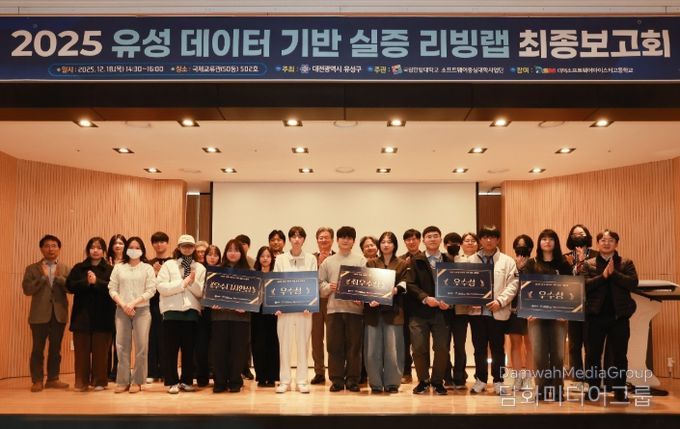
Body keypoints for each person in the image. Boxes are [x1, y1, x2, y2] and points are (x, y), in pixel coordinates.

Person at [582, 230, 638, 403]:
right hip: (595, 317)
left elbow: (633, 283)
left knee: (620, 356)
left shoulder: (626, 263)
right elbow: (583, 286)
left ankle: (620, 392)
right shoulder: (588, 264)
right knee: (593, 356)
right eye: (603, 240)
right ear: (598, 243)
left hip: (619, 317)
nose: (606, 243)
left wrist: (614, 274)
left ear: (616, 244)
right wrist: (603, 276)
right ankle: (593, 390)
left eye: (611, 240)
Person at [468, 225, 518, 395]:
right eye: (485, 237)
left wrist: (500, 301)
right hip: (477, 313)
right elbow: (465, 285)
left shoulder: (507, 261)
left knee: (497, 348)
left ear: (498, 239)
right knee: (479, 348)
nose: (488, 240)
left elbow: (513, 285)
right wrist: (471, 300)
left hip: (498, 311)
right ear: (480, 240)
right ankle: (480, 380)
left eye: (492, 237)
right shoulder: (471, 260)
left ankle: (498, 380)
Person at [524, 229, 572, 401]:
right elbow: (524, 288)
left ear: (556, 243)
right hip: (535, 316)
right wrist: (527, 310)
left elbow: (571, 289)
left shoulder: (564, 264)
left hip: (559, 316)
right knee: (539, 355)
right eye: (543, 239)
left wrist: (566, 312)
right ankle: (541, 390)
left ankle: (558, 390)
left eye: (551, 239)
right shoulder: (531, 263)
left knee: (558, 355)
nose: (547, 242)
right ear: (539, 243)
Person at [405, 226, 452, 395]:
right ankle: (423, 381)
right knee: (418, 348)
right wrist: (425, 298)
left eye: (435, 236)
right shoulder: (415, 260)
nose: (432, 239)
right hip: (419, 312)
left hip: (442, 313)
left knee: (442, 349)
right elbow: (410, 284)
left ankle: (437, 381)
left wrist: (449, 303)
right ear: (423, 240)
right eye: (429, 236)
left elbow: (455, 286)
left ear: (440, 239)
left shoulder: (449, 260)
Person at [319, 226, 367, 392]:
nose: (346, 240)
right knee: (334, 347)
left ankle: (353, 380)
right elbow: (320, 285)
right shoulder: (328, 262)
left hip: (355, 311)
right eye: (342, 237)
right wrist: (329, 287)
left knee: (354, 347)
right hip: (334, 311)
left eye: (349, 238)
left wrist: (360, 296)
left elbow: (366, 284)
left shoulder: (361, 261)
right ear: (337, 240)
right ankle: (337, 380)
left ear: (353, 241)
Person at [21, 234, 71, 392]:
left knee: (55, 349)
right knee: (37, 349)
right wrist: (42, 279)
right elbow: (27, 290)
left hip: (59, 314)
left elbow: (71, 288)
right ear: (41, 249)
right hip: (38, 315)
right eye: (47, 246)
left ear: (59, 249)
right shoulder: (32, 268)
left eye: (54, 245)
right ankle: (37, 380)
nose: (51, 249)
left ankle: (53, 379)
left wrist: (60, 279)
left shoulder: (66, 268)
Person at [157, 234, 205, 394]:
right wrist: (183, 283)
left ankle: (186, 381)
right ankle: (172, 382)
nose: (187, 249)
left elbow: (201, 292)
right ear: (178, 247)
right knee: (170, 350)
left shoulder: (200, 268)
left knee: (189, 351)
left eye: (190, 246)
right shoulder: (168, 265)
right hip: (171, 313)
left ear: (194, 248)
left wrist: (191, 281)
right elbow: (161, 287)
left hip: (191, 314)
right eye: (184, 246)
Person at [108, 236, 157, 394]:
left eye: (137, 247)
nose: (134, 250)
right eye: (131, 247)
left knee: (141, 346)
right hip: (121, 310)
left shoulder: (147, 268)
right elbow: (112, 288)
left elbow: (151, 290)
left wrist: (134, 303)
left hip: (142, 310)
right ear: (126, 249)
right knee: (121, 346)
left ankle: (137, 381)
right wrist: (123, 304)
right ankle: (123, 381)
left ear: (142, 250)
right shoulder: (119, 267)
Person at [66, 237, 114, 392]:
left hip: (103, 316)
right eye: (92, 247)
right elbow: (69, 286)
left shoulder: (110, 269)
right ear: (88, 250)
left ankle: (100, 381)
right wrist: (86, 282)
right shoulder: (79, 267)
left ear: (104, 251)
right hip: (82, 316)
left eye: (99, 248)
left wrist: (97, 282)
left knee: (101, 352)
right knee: (81, 352)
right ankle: (81, 382)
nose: (95, 250)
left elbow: (114, 288)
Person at [273, 227, 318, 394]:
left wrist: (310, 305)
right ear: (290, 239)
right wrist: (277, 306)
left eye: (300, 237)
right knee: (284, 345)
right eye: (293, 236)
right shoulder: (281, 259)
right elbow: (276, 282)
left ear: (304, 239)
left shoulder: (311, 258)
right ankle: (284, 380)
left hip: (304, 310)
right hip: (285, 310)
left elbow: (313, 281)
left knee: (303, 345)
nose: (297, 239)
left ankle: (302, 380)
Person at [364, 231, 408, 394]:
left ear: (395, 245)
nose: (386, 245)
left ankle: (392, 383)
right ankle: (375, 383)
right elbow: (366, 285)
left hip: (394, 312)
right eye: (383, 242)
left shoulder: (402, 264)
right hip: (373, 311)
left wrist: (394, 290)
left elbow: (405, 283)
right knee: (372, 349)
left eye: (389, 242)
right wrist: (370, 298)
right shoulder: (371, 263)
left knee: (393, 349)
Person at [211, 239, 252, 393]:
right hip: (219, 317)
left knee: (238, 351)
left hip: (241, 319)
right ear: (225, 253)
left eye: (236, 250)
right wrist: (212, 302)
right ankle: (220, 382)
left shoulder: (249, 272)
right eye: (230, 250)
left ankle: (235, 381)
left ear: (241, 253)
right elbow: (209, 292)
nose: (233, 253)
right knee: (219, 351)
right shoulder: (216, 271)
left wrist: (246, 306)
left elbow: (256, 295)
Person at [564, 224, 599, 391]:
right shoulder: (565, 257)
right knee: (574, 344)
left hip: (591, 306)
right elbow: (562, 281)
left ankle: (591, 379)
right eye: (575, 234)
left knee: (591, 344)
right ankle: (578, 378)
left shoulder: (596, 256)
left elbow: (597, 277)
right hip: (572, 306)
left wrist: (583, 262)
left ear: (588, 236)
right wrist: (571, 266)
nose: (578, 237)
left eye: (582, 234)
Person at [450, 232, 479, 390]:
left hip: (477, 308)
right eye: (466, 240)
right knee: (459, 344)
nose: (470, 243)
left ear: (477, 244)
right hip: (459, 308)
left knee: (478, 343)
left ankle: (479, 377)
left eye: (473, 241)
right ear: (461, 244)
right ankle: (459, 376)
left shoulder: (482, 259)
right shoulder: (454, 259)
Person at [507, 234, 535, 391]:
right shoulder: (510, 264)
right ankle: (517, 377)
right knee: (515, 344)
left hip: (531, 310)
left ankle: (529, 378)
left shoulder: (536, 264)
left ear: (530, 248)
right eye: (518, 246)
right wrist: (517, 269)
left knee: (531, 344)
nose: (521, 249)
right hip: (514, 309)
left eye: (525, 246)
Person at [251, 246, 279, 388]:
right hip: (257, 312)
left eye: (268, 256)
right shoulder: (253, 275)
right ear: (258, 258)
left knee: (272, 344)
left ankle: (272, 377)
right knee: (258, 344)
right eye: (262, 256)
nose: (265, 258)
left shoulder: (277, 275)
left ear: (272, 258)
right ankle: (261, 377)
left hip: (273, 313)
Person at [311, 227, 335, 385]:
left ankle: (335, 372)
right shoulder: (310, 258)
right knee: (316, 339)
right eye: (321, 237)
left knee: (333, 338)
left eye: (327, 237)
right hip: (315, 302)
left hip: (333, 301)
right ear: (317, 240)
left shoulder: (338, 257)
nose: (324, 240)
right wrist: (318, 264)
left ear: (332, 240)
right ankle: (319, 372)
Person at [147, 231, 172, 384]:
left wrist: (160, 273)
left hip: (168, 304)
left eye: (162, 241)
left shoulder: (173, 263)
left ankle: (165, 371)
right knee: (151, 337)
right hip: (151, 304)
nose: (159, 244)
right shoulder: (148, 263)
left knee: (166, 338)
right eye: (156, 242)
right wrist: (154, 274)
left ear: (167, 243)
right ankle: (151, 371)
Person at [399, 228, 423, 384]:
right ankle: (406, 372)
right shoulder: (400, 260)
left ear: (419, 240)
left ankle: (423, 373)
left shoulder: (425, 258)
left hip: (421, 305)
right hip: (403, 305)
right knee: (404, 340)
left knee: (420, 342)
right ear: (405, 242)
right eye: (408, 239)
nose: (411, 242)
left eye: (414, 239)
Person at [442, 231, 462, 387]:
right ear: (445, 245)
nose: (453, 245)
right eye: (450, 243)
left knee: (460, 346)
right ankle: (446, 376)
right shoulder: (440, 261)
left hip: (461, 311)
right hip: (444, 310)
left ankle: (460, 376)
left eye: (456, 243)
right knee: (444, 345)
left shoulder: (464, 261)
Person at [106, 233, 126, 381]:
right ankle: (105, 371)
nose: (118, 246)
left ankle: (117, 371)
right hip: (107, 305)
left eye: (121, 243)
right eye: (115, 243)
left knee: (120, 341)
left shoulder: (129, 263)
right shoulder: (105, 262)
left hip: (123, 305)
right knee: (107, 340)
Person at [235, 234, 255, 380]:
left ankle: (246, 368)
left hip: (247, 306)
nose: (241, 246)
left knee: (246, 340)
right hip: (231, 306)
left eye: (244, 244)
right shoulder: (229, 261)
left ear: (248, 246)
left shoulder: (252, 262)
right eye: (239, 244)